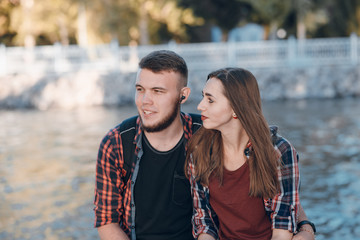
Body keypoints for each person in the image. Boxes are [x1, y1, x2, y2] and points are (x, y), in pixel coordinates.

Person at [93, 50, 316, 240]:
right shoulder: (117, 143)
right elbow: (106, 221)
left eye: (157, 91)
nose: (144, 101)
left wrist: (306, 229)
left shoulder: (206, 132)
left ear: (183, 95)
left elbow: (282, 192)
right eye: (140, 89)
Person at [186, 67, 316, 240]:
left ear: (235, 109)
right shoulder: (200, 151)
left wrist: (307, 229)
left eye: (210, 100)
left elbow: (282, 229)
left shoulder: (279, 151)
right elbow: (204, 222)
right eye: (203, 96)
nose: (200, 105)